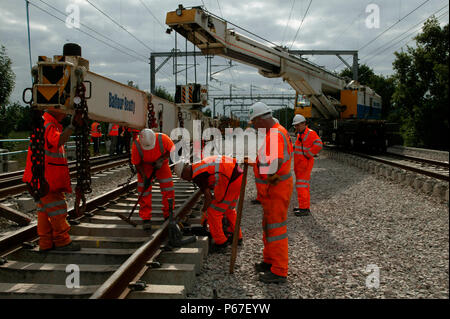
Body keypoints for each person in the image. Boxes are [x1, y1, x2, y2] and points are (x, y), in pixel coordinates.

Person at [22, 110, 82, 252]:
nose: (66, 113)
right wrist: (72, 126)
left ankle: (46, 243)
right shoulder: (49, 125)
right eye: (64, 111)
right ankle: (62, 242)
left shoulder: (45, 123)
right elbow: (58, 140)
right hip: (48, 181)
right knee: (58, 210)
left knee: (43, 212)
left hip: (40, 180)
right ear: (55, 110)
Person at [249, 101, 293, 284]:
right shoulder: (273, 132)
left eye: (254, 123)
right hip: (271, 189)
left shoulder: (275, 134)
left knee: (276, 229)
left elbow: (273, 164)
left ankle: (279, 270)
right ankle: (269, 261)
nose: (254, 127)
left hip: (276, 189)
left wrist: (262, 170)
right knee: (268, 226)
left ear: (261, 119)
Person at [174, 155, 243, 252]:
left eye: (183, 177)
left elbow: (208, 197)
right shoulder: (198, 166)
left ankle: (221, 243)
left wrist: (204, 211)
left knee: (214, 212)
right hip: (238, 176)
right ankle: (237, 237)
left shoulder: (197, 175)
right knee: (229, 210)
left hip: (230, 179)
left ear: (184, 171)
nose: (187, 180)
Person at [131, 128, 175, 229]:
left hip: (162, 165)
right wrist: (144, 177)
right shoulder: (136, 145)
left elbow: (172, 150)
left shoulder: (163, 139)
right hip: (145, 166)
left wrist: (161, 159)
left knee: (168, 188)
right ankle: (145, 217)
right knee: (144, 190)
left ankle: (168, 214)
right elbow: (137, 164)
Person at [292, 114, 323, 216]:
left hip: (304, 164)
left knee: (302, 186)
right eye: (295, 125)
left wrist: (308, 154)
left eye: (298, 125)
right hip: (299, 165)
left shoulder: (310, 133)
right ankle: (303, 206)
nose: (296, 127)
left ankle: (304, 209)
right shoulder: (300, 134)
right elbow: (299, 148)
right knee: (301, 186)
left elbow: (319, 144)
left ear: (304, 123)